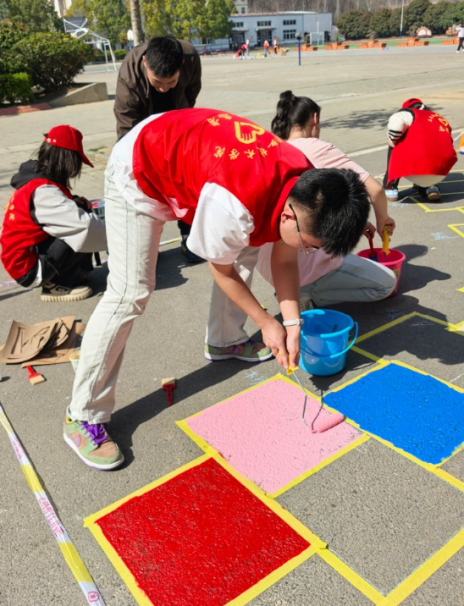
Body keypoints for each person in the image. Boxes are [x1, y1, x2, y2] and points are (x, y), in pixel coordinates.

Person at [64, 107, 370, 470]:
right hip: (140, 167)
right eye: (310, 245)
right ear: (289, 216)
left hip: (196, 158)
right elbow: (221, 270)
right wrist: (266, 322)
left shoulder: (307, 188)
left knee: (249, 244)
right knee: (130, 291)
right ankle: (82, 414)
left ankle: (224, 340)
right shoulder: (234, 205)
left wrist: (292, 323)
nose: (308, 252)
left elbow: (285, 261)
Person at [257, 91, 396, 309]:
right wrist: (383, 219)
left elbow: (310, 206)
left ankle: (292, 291)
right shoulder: (316, 147)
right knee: (386, 284)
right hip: (304, 263)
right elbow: (376, 190)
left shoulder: (274, 149)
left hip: (268, 265)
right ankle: (306, 295)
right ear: (315, 119)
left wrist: (353, 224)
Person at [114, 35, 203, 263]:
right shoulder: (130, 74)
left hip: (177, 119)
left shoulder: (190, 57)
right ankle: (145, 243)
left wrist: (181, 122)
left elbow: (192, 92)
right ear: (145, 62)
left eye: (170, 83)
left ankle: (189, 236)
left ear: (180, 66)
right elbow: (126, 125)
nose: (163, 89)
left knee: (186, 177)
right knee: (144, 181)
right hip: (143, 125)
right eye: (157, 83)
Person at [0, 126, 106, 302]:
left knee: (78, 215)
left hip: (24, 258)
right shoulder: (43, 191)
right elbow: (83, 226)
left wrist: (74, 201)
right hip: (28, 268)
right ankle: (56, 284)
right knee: (79, 227)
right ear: (68, 159)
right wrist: (119, 239)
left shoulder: (37, 177)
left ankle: (69, 273)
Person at [383, 98, 457, 202]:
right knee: (431, 146)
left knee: (396, 143)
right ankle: (431, 187)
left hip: (416, 166)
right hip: (442, 169)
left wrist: (392, 139)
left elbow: (396, 126)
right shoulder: (438, 117)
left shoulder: (408, 113)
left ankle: (391, 189)